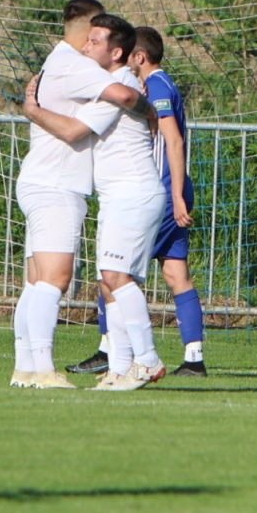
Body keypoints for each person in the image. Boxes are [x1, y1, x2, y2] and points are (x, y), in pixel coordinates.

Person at [10, 0, 158, 390]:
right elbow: (124, 96)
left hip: (41, 179)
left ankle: (25, 367)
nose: (93, 43)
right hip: (57, 184)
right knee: (56, 278)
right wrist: (149, 109)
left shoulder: (56, 61)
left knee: (37, 281)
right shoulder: (77, 65)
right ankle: (44, 369)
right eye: (92, 35)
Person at [69, 25, 206, 377]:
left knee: (114, 272)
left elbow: (173, 140)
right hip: (170, 191)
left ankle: (114, 351)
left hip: (158, 190)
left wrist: (176, 196)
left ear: (140, 57)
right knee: (175, 273)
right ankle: (193, 358)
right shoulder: (164, 84)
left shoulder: (155, 86)